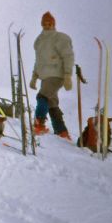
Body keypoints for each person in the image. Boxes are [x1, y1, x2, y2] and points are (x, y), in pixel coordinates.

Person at [30, 11, 74, 139]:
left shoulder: (60, 38)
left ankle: (39, 125)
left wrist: (67, 75)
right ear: (41, 24)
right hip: (45, 76)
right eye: (44, 23)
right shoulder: (39, 41)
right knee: (51, 102)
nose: (47, 25)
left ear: (53, 23)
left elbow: (68, 56)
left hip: (56, 74)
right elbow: (38, 61)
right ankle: (61, 131)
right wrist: (34, 76)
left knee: (42, 96)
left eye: (49, 23)